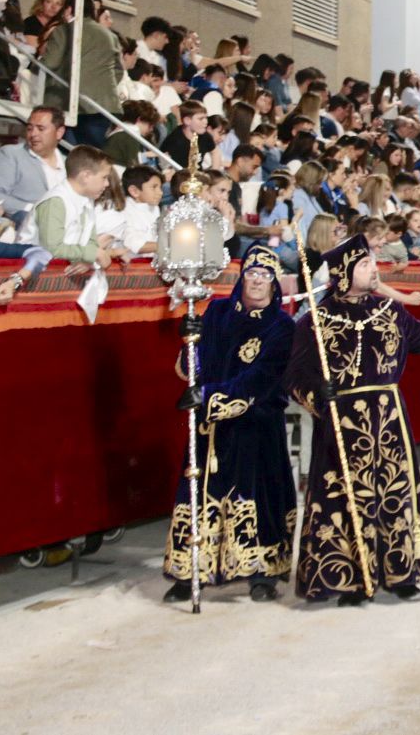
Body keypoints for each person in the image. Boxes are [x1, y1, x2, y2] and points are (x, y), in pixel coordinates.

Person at [284, 234, 420, 605]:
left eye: (371, 262)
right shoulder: (315, 320)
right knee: (342, 499)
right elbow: (295, 374)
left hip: (388, 421)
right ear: (343, 273)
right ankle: (348, 577)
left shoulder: (390, 311)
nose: (372, 268)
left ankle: (401, 573)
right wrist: (317, 394)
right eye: (363, 264)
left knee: (395, 495)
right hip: (341, 425)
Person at [163, 245, 297, 604]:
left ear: (274, 284)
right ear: (242, 278)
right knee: (200, 494)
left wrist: (207, 395)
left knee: (255, 497)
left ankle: (261, 572)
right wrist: (189, 337)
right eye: (251, 273)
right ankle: (191, 570)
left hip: (255, 424)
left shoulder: (281, 326)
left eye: (265, 275)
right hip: (211, 428)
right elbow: (194, 367)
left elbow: (260, 379)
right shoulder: (218, 311)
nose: (256, 281)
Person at [38, 0, 123, 148]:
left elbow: (51, 63)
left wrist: (34, 67)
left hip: (69, 102)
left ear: (69, 9)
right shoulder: (110, 35)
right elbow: (118, 70)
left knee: (68, 153)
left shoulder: (63, 30)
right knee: (91, 155)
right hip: (103, 104)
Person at [30, 145, 127, 269]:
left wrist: (91, 257)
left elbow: (89, 242)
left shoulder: (87, 200)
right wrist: (93, 253)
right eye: (104, 177)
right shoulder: (55, 201)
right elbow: (51, 249)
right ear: (85, 176)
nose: (107, 184)